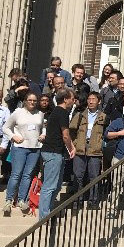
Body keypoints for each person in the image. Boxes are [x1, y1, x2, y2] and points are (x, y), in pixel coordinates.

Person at [1, 92, 43, 215]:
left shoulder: (40, 114)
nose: (32, 102)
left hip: (34, 148)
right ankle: (8, 200)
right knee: (16, 174)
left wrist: (43, 133)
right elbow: (5, 127)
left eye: (34, 100)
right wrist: (14, 136)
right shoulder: (17, 113)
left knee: (27, 175)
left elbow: (43, 126)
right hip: (20, 147)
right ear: (25, 101)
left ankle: (22, 199)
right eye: (30, 100)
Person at [39, 89, 76, 219]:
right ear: (65, 99)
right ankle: (44, 215)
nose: (74, 101)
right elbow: (65, 135)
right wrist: (71, 148)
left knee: (57, 184)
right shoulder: (62, 112)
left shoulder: (57, 112)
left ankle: (48, 210)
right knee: (50, 185)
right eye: (72, 98)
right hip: (52, 152)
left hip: (56, 152)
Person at [69, 92, 108, 209]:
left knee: (94, 176)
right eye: (89, 99)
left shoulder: (103, 116)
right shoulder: (80, 115)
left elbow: (106, 133)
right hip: (80, 149)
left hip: (95, 150)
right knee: (78, 176)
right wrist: (75, 144)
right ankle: (77, 201)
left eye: (93, 99)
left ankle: (93, 201)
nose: (91, 101)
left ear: (99, 101)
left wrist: (100, 144)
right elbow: (71, 130)